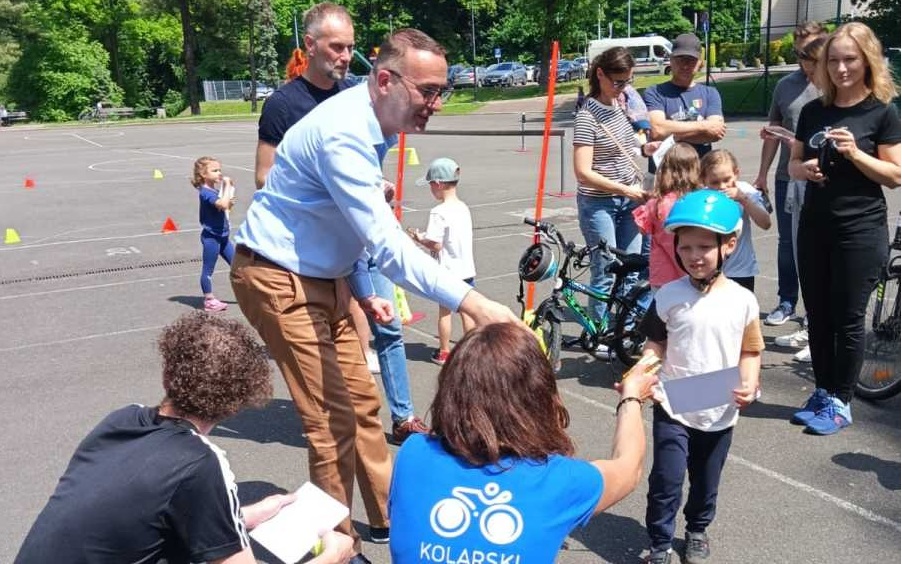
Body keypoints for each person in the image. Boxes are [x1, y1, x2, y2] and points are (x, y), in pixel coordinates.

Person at [230, 28, 518, 561]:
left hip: (324, 276)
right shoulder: (345, 132)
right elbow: (387, 245)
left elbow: (346, 224)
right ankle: (334, 548)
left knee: (363, 405)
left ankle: (390, 521)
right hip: (276, 277)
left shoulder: (376, 121)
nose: (436, 103)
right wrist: (472, 302)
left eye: (441, 90)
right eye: (427, 91)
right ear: (385, 80)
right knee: (328, 423)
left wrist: (360, 289)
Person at [15, 312, 355, 564]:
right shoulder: (200, 461)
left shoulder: (121, 420)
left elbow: (148, 508)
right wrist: (332, 556)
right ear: (238, 403)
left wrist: (248, 515)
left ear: (168, 372)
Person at [256, 3, 427, 445]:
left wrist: (372, 185)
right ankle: (341, 413)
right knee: (348, 331)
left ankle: (403, 416)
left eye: (351, 47)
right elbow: (264, 175)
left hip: (364, 232)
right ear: (310, 46)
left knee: (388, 324)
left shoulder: (358, 92)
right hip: (323, 245)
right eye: (336, 47)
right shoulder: (284, 103)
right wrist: (335, 187)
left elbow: (367, 158)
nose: (346, 56)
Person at [388, 322, 660, 562]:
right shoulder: (559, 480)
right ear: (538, 396)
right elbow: (629, 465)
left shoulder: (414, 453)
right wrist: (632, 396)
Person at [787, 22, 900, 435]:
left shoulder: (882, 111)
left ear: (867, 60)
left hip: (860, 229)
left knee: (848, 318)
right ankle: (822, 390)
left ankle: (841, 400)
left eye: (849, 59)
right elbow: (792, 164)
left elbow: (894, 175)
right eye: (833, 60)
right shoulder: (814, 110)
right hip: (815, 226)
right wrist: (805, 169)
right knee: (817, 316)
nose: (841, 68)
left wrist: (855, 155)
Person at [639, 190, 764, 564]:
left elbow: (751, 349)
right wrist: (640, 375)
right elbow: (655, 344)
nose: (694, 256)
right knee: (667, 479)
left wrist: (750, 383)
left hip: (718, 402)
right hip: (673, 401)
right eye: (686, 246)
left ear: (729, 245)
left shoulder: (743, 300)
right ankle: (659, 543)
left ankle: (697, 529)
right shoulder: (668, 296)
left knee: (706, 481)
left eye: (704, 247)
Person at [574, 47, 660, 356]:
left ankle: (622, 330)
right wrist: (624, 190)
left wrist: (646, 149)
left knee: (632, 269)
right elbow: (583, 172)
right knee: (607, 270)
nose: (624, 87)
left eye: (628, 81)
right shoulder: (587, 116)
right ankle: (596, 334)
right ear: (600, 75)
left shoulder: (621, 105)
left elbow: (628, 145)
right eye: (618, 81)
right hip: (601, 204)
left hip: (630, 200)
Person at [754, 22, 829, 330]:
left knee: (820, 244)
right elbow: (772, 131)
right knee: (788, 243)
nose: (804, 60)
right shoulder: (786, 85)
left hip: (824, 179)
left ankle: (818, 311)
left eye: (810, 53)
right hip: (788, 177)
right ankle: (787, 301)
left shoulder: (833, 84)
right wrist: (762, 174)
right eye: (800, 54)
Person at [408, 157, 476, 365]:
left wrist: (419, 238)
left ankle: (445, 351)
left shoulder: (438, 212)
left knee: (445, 312)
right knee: (467, 312)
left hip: (447, 271)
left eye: (430, 184)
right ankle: (472, 351)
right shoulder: (463, 207)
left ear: (438, 184)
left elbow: (435, 244)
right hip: (466, 268)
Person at [643, 33, 725, 172]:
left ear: (700, 63)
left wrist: (671, 134)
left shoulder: (710, 93)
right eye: (680, 59)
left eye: (691, 60)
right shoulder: (654, 92)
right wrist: (704, 126)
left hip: (699, 174)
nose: (685, 65)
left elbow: (715, 132)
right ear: (671, 60)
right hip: (665, 175)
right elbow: (657, 131)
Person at [700, 149, 772, 292]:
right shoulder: (701, 197)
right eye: (714, 182)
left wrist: (743, 199)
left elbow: (766, 223)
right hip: (709, 270)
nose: (722, 186)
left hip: (741, 270)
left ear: (736, 173)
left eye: (727, 180)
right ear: (703, 180)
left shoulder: (745, 190)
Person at [632, 142, 701, 289]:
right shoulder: (698, 202)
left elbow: (642, 230)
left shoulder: (656, 204)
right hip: (693, 271)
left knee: (664, 310)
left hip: (663, 275)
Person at [191, 156, 236, 312]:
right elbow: (222, 204)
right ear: (203, 174)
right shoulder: (205, 193)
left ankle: (249, 293)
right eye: (214, 170)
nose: (219, 173)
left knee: (238, 266)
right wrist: (228, 186)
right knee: (208, 270)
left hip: (223, 236)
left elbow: (225, 206)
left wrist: (229, 198)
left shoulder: (214, 191)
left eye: (220, 170)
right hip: (212, 238)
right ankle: (209, 299)